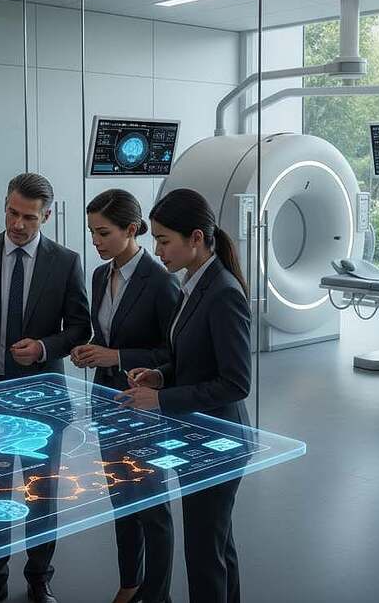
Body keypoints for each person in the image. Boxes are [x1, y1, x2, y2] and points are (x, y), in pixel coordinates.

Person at [0, 172, 90, 603]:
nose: (18, 224)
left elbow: (80, 327)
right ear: (5, 206)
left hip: (43, 399)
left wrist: (45, 346)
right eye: (13, 213)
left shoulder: (66, 261)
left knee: (41, 495)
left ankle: (39, 580)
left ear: (46, 216)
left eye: (29, 217)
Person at [118, 188, 252, 603]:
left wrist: (161, 402)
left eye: (162, 240)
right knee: (216, 545)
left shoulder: (223, 292)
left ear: (196, 238)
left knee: (204, 553)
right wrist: (159, 375)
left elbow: (236, 383)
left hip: (221, 441)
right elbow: (192, 358)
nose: (156, 249)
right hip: (200, 436)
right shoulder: (194, 282)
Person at [70, 189, 179, 603]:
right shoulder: (101, 275)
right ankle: (130, 583)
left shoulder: (161, 281)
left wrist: (116, 355)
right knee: (122, 496)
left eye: (103, 233)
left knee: (153, 504)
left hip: (144, 405)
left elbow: (171, 355)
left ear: (131, 230)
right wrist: (91, 350)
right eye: (92, 232)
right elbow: (105, 335)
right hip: (107, 400)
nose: (95, 242)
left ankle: (158, 594)